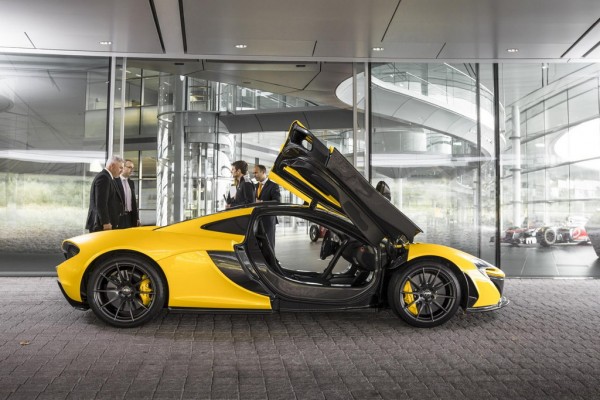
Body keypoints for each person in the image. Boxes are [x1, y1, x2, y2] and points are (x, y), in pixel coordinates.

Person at [86, 155, 125, 232]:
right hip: (101, 225)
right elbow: (101, 203)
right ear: (112, 166)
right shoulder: (104, 178)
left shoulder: (109, 177)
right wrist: (105, 222)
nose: (122, 171)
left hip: (105, 223)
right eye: (120, 168)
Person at [253, 164, 281, 247]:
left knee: (269, 245)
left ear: (263, 172)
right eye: (253, 173)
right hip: (255, 221)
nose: (254, 175)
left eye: (256, 172)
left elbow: (277, 202)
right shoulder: (254, 186)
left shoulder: (273, 186)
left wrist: (262, 202)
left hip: (268, 221)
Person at [116, 159, 141, 228]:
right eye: (129, 167)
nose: (132, 170)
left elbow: (133, 202)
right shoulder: (114, 181)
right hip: (119, 217)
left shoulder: (131, 183)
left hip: (130, 217)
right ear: (122, 167)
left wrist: (137, 218)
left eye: (132, 168)